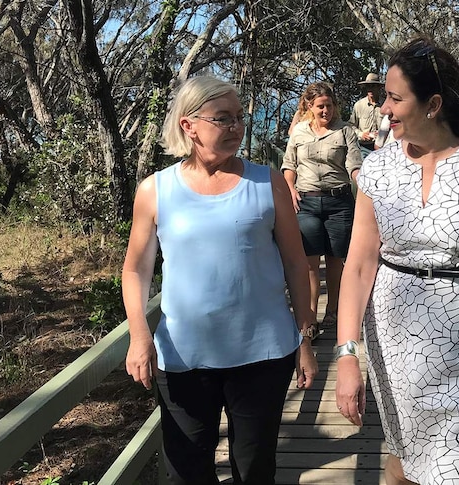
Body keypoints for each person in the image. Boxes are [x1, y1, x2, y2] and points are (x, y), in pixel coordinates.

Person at [334, 37, 459, 485]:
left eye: (394, 98)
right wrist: (348, 355)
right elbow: (358, 266)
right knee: (406, 458)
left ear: (432, 104)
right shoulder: (377, 168)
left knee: (455, 471)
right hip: (395, 340)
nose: (384, 109)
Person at [122, 76, 318, 485]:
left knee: (254, 470)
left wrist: (305, 339)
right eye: (222, 119)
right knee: (186, 473)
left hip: (263, 355)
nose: (236, 128)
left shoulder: (267, 182)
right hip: (183, 359)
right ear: (188, 125)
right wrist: (140, 337)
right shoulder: (155, 190)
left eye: (239, 119)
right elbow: (136, 269)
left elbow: (297, 264)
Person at [281, 82, 362, 339]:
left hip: (339, 202)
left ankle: (333, 310)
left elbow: (354, 165)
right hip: (306, 202)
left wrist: (368, 191)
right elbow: (288, 165)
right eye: (320, 106)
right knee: (310, 263)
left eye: (328, 105)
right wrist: (290, 188)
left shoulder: (345, 131)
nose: (325, 111)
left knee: (336, 259)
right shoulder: (299, 133)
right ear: (309, 107)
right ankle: (310, 316)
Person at [349, 72, 384, 155]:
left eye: (373, 86)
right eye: (368, 86)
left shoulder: (385, 105)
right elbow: (351, 126)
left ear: (378, 87)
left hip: (383, 147)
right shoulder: (359, 105)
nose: (370, 89)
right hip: (364, 147)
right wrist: (361, 134)